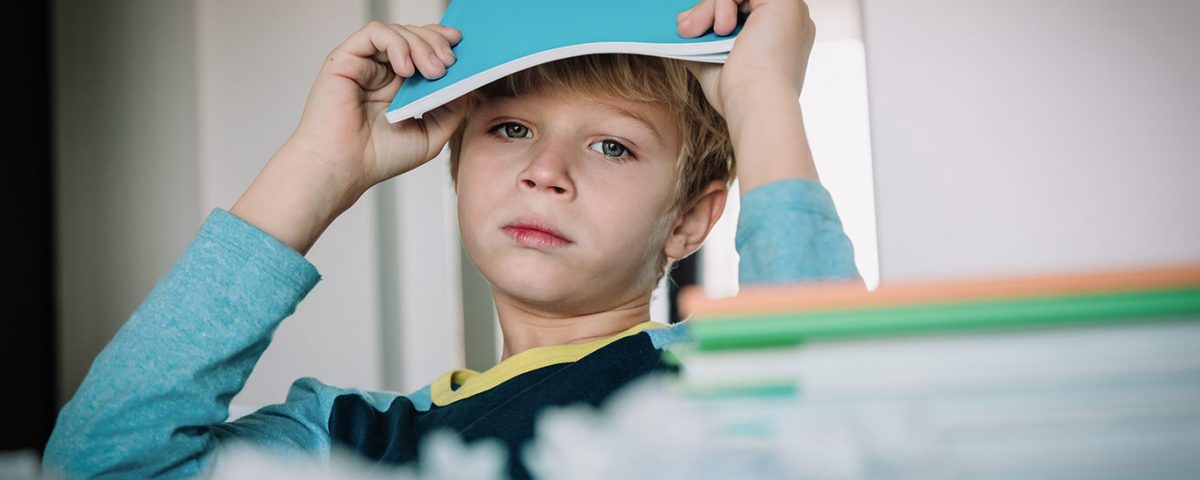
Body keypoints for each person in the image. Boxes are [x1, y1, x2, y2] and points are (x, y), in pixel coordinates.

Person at [42, 0, 861, 478]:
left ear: (689, 217)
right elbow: (101, 462)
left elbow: (854, 418)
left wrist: (761, 101)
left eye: (611, 145)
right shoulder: (349, 438)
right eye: (509, 129)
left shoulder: (718, 381)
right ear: (457, 164)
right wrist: (317, 166)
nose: (546, 171)